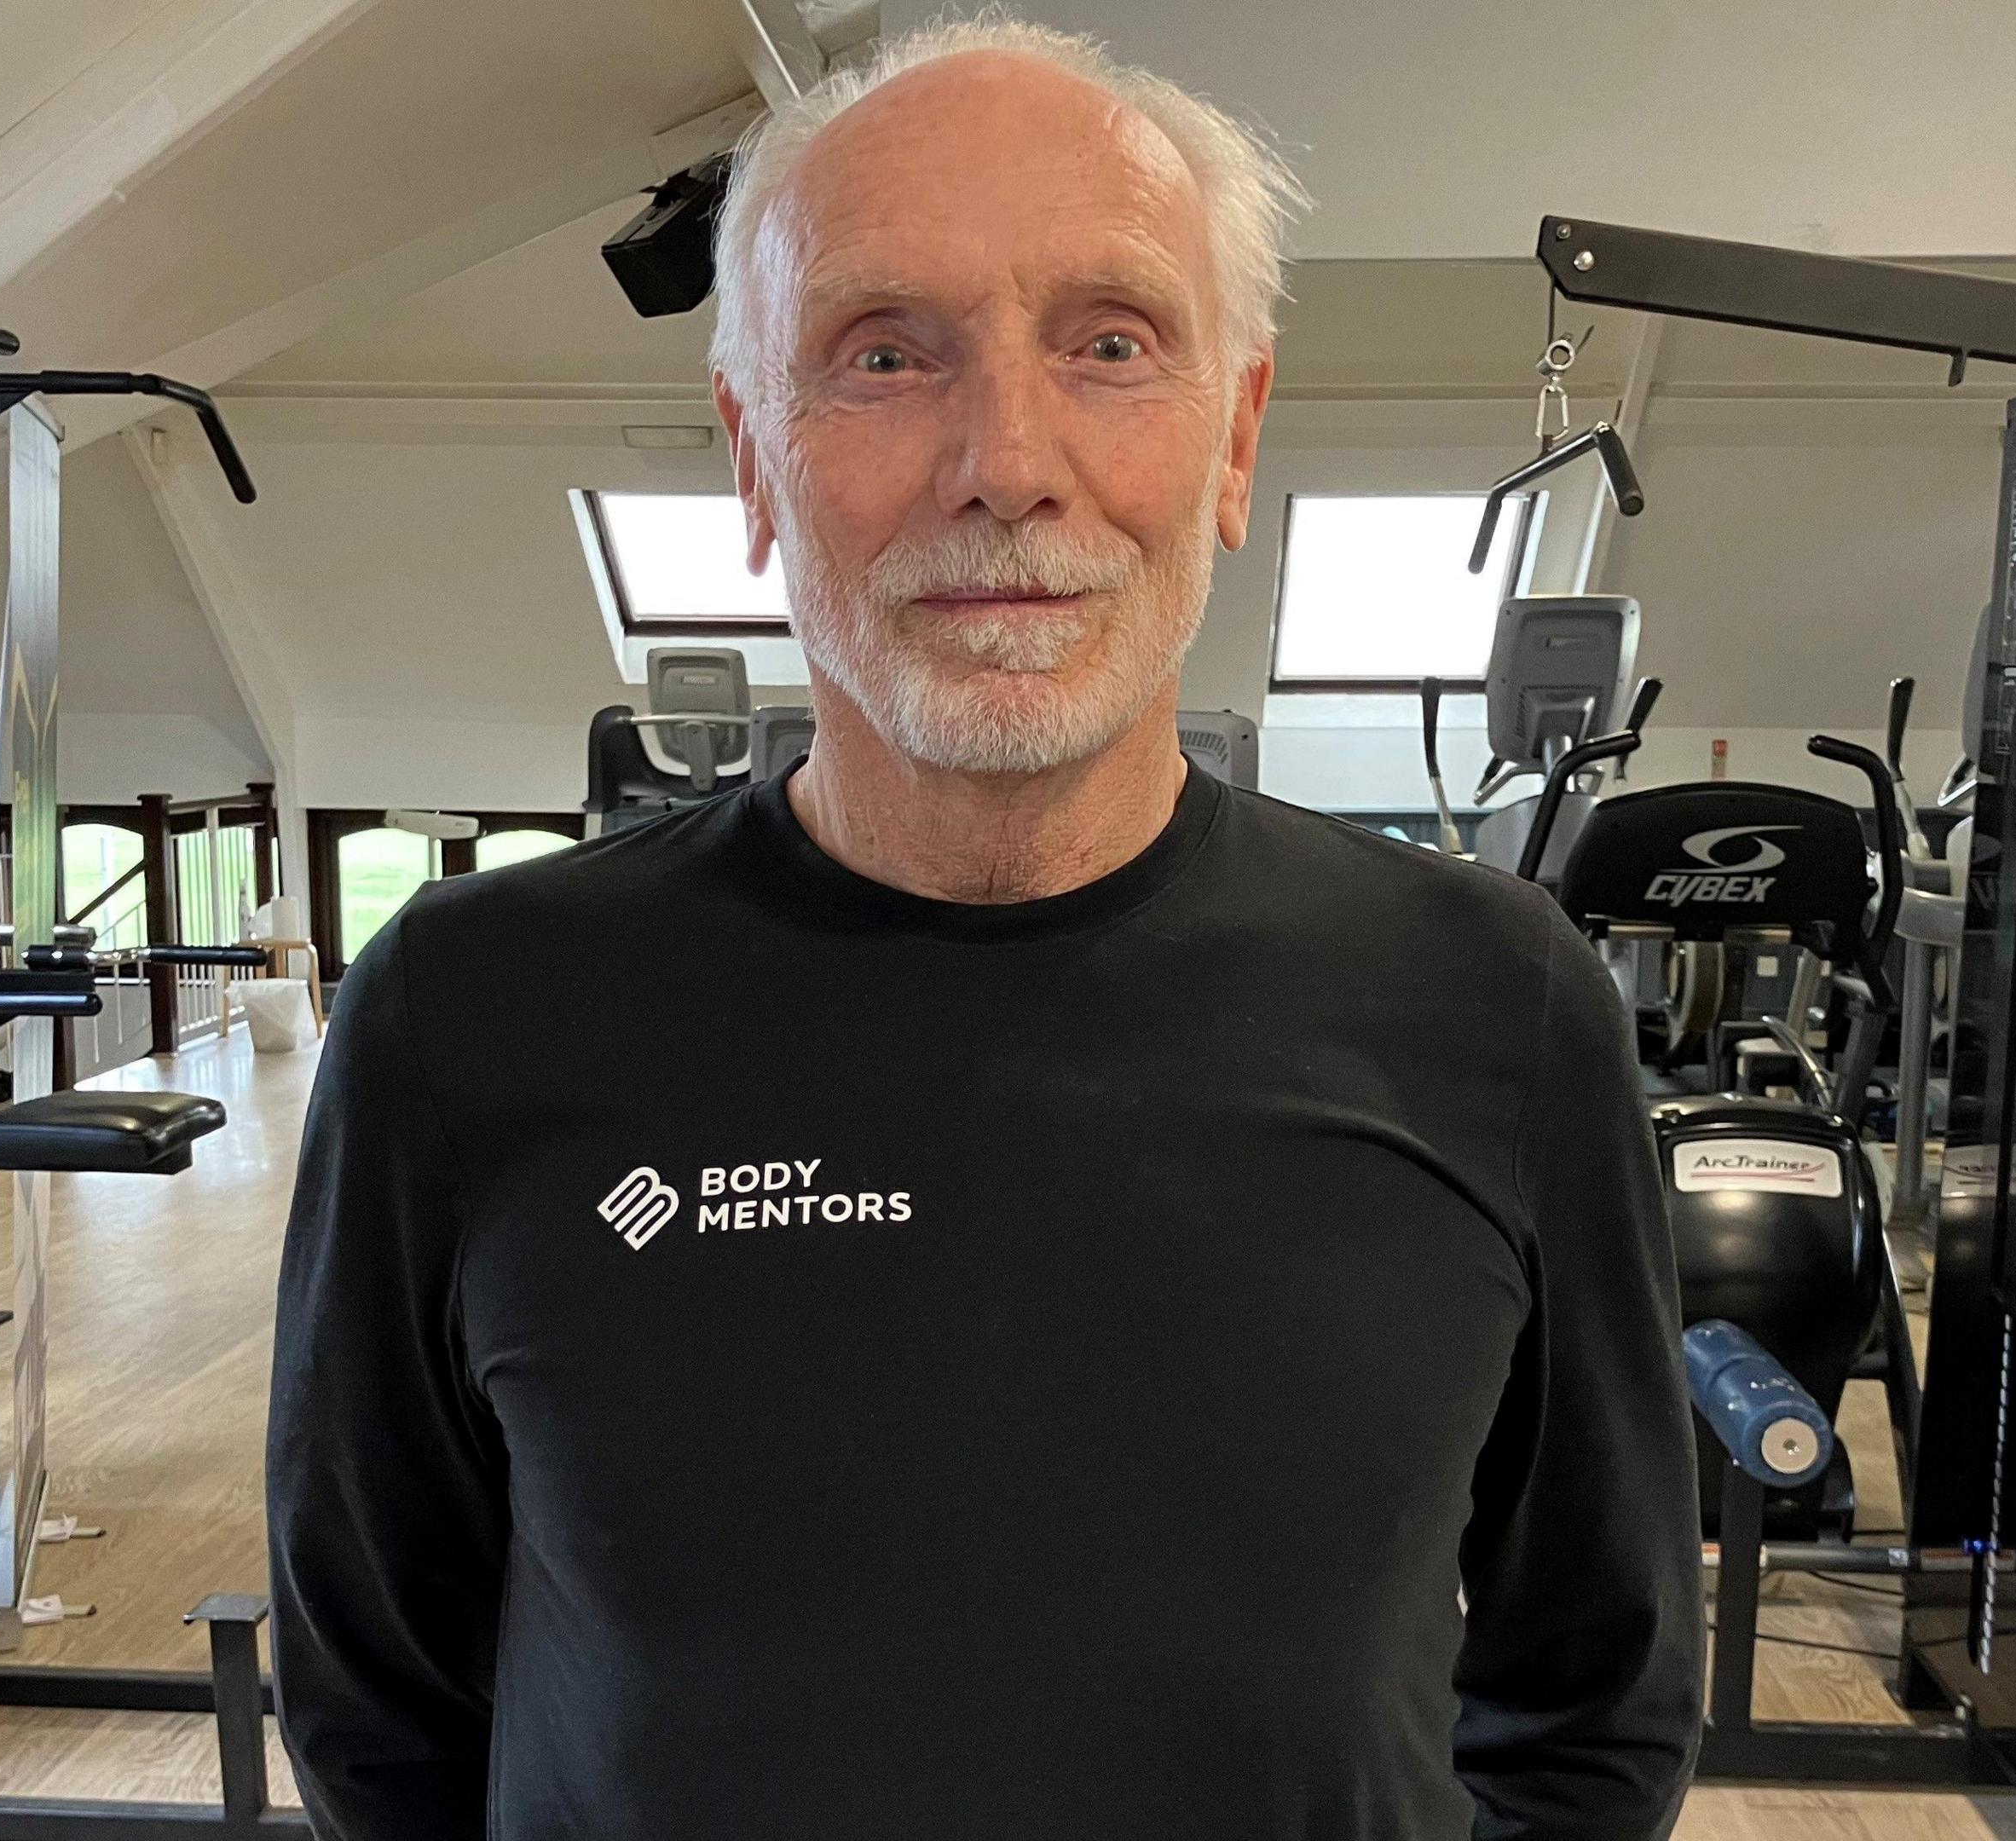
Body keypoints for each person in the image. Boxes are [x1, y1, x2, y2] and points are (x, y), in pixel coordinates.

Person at [268, 20, 1701, 1839]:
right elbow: (381, 1720)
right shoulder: (470, 1013)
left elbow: (1594, 1707)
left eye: (1112, 344)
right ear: (755, 460)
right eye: (884, 355)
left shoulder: (1497, 1004)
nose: (1007, 463)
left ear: (1236, 437)